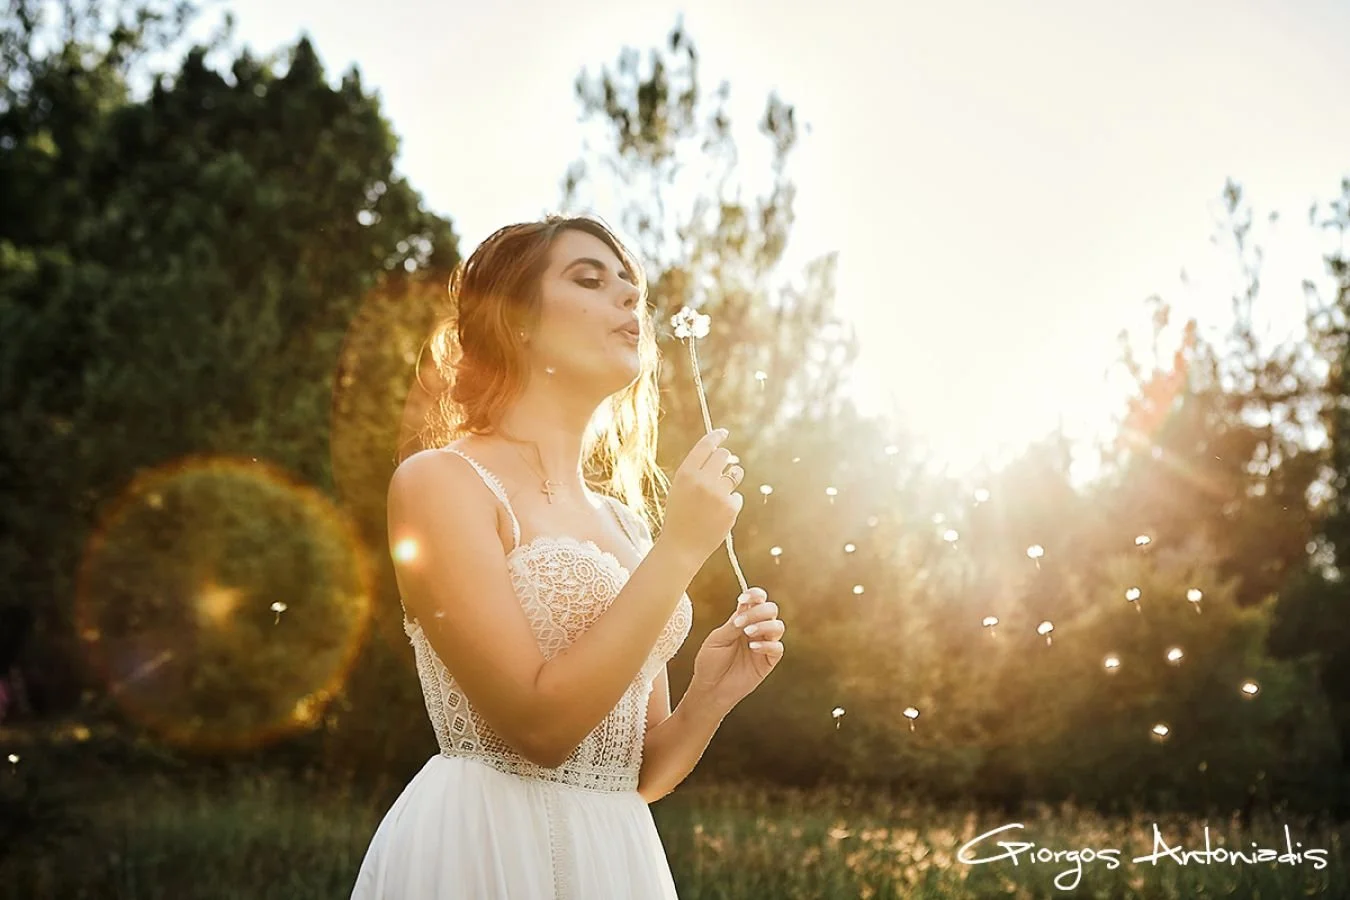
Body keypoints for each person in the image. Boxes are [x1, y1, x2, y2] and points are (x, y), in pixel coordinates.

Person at [351, 215, 786, 899]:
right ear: (517, 319)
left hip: (613, 860)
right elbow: (539, 730)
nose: (627, 300)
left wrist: (710, 696)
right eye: (590, 278)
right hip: (484, 849)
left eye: (632, 290)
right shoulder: (442, 483)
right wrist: (679, 551)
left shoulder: (625, 521)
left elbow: (636, 775)